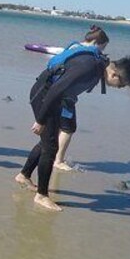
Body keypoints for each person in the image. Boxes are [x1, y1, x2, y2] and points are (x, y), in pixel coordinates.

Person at [14, 24, 130, 211]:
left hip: (54, 99)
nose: (118, 88)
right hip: (44, 96)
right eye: (120, 85)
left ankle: (24, 175)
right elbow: (56, 89)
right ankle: (42, 195)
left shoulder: (101, 64)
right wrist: (40, 119)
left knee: (48, 141)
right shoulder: (89, 67)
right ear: (114, 74)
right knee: (51, 147)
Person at [42, 25, 111, 172]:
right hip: (65, 95)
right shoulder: (90, 54)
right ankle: (58, 160)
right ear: (96, 43)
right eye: (103, 47)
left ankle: (53, 156)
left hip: (53, 88)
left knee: (60, 126)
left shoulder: (74, 46)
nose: (102, 51)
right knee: (68, 128)